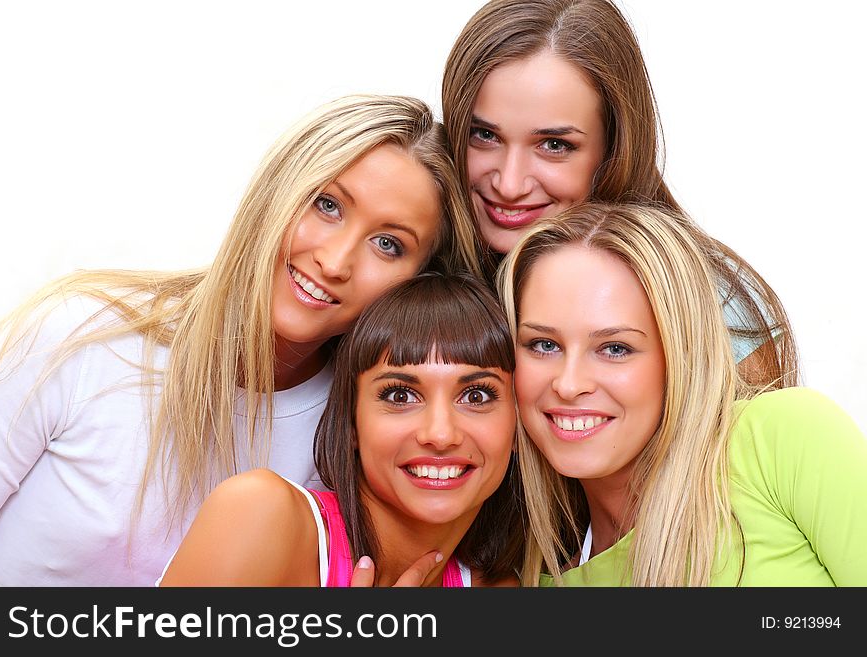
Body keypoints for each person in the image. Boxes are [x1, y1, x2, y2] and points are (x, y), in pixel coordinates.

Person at [0, 94, 481, 586]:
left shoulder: (361, 436)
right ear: (275, 193)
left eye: (388, 244)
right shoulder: (82, 335)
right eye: (326, 205)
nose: (335, 261)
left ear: (419, 283)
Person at [497, 202, 867, 586]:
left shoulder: (781, 438)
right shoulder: (540, 583)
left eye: (615, 349)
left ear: (680, 358)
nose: (569, 384)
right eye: (543, 345)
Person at [441, 0, 798, 389]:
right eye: (485, 135)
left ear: (613, 150)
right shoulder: (417, 262)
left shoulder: (711, 308)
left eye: (555, 145)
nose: (509, 185)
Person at [158, 272, 521, 587]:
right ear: (350, 421)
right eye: (400, 394)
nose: (440, 434)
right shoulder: (262, 515)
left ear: (518, 423)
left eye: (476, 395)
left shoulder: (499, 588)